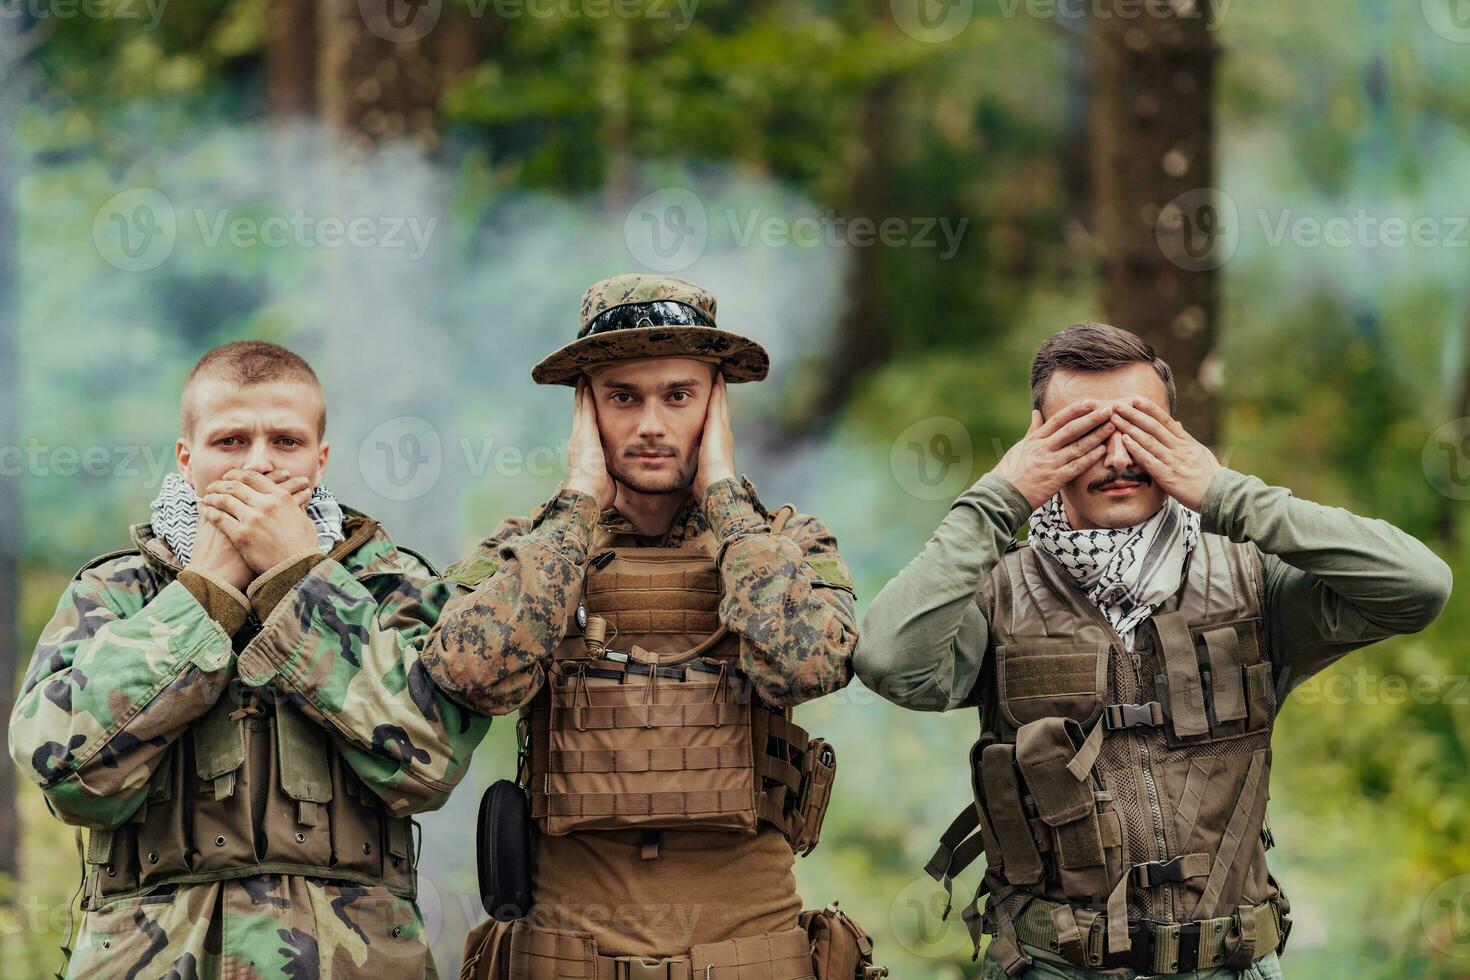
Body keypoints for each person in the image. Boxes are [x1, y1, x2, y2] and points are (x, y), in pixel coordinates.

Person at [854, 322, 1453, 979]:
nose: (1117, 458)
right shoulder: (997, 594)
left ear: (1177, 436)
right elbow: (889, 660)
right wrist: (998, 499)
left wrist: (1228, 494)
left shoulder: (1253, 581)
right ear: (1038, 445)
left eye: (1140, 431)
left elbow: (1418, 587)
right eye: (1084, 434)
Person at [423, 274, 883, 980]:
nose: (649, 425)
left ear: (717, 404)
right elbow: (467, 676)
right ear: (585, 409)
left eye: (679, 395)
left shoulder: (783, 544)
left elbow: (810, 666)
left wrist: (726, 498)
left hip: (751, 960)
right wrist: (576, 504)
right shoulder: (531, 554)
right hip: (564, 961)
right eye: (622, 397)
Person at [10, 341, 490, 979]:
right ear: (187, 458)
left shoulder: (390, 587)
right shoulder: (117, 593)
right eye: (231, 441)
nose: (259, 465)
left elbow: (431, 761)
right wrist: (203, 595)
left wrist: (300, 581)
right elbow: (63, 770)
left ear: (321, 459)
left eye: (285, 442)